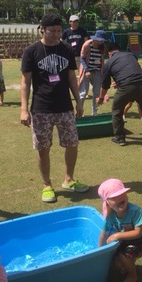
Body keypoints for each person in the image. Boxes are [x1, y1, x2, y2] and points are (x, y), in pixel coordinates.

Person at [20, 13, 89, 203]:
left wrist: (79, 101)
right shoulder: (31, 51)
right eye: (53, 31)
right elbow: (25, 82)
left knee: (72, 144)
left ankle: (69, 179)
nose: (57, 34)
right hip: (41, 108)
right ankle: (47, 184)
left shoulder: (65, 48)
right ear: (42, 28)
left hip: (65, 107)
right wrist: (24, 109)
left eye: (59, 31)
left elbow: (71, 78)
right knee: (43, 148)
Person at [97, 43, 142, 146]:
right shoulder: (130, 55)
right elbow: (130, 69)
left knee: (117, 110)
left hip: (126, 86)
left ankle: (120, 138)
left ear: (109, 53)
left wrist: (101, 98)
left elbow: (105, 85)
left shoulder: (108, 62)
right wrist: (119, 81)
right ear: (119, 50)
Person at [98, 179, 142, 282]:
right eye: (114, 197)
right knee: (115, 261)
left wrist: (117, 235)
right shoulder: (109, 215)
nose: (119, 198)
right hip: (126, 241)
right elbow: (103, 234)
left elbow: (138, 233)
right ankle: (127, 265)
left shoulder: (135, 211)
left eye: (122, 193)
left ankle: (133, 276)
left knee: (125, 255)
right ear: (107, 202)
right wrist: (99, 251)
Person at [78, 30, 108, 115]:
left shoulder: (103, 47)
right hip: (87, 71)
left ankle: (94, 112)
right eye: (100, 40)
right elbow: (82, 58)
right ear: (95, 39)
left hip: (97, 71)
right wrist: (87, 70)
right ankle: (80, 112)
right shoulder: (87, 45)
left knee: (96, 93)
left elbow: (102, 61)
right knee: (83, 93)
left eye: (102, 41)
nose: (101, 42)